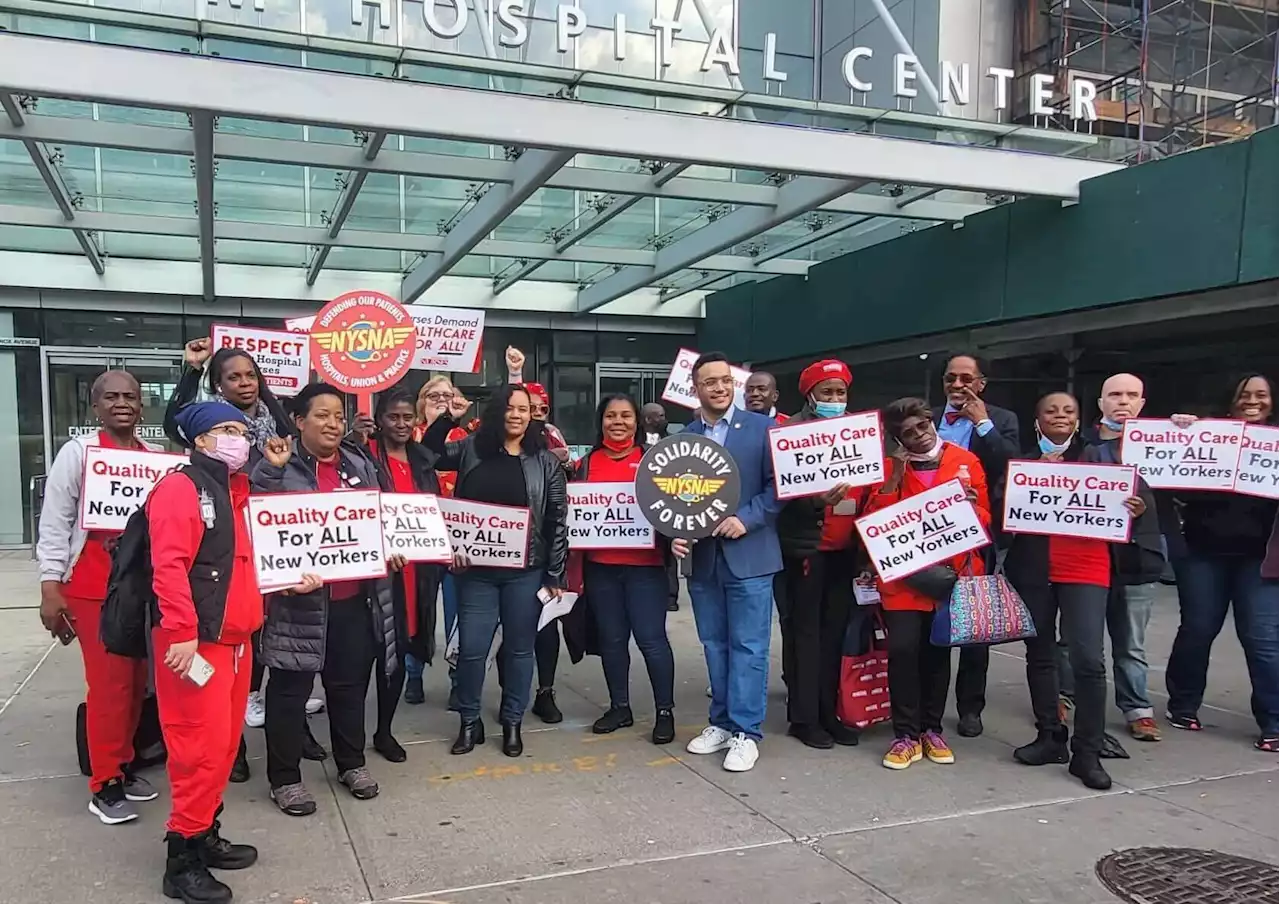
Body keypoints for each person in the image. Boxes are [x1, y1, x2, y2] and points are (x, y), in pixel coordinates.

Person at [147, 401, 309, 904]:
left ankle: (203, 833)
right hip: (196, 646)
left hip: (235, 644)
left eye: (242, 429)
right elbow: (169, 567)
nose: (239, 438)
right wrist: (180, 632)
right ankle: (182, 860)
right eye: (226, 429)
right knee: (197, 750)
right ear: (199, 440)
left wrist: (291, 580)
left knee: (219, 748)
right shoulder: (182, 488)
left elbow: (248, 563)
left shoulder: (234, 493)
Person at [165, 338, 324, 780]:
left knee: (285, 651)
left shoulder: (274, 428)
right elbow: (172, 425)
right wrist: (190, 371)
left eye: (250, 375)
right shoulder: (206, 440)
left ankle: (291, 730)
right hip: (228, 559)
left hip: (273, 551)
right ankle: (230, 747)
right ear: (218, 385)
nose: (245, 383)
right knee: (241, 661)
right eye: (233, 377)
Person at [252, 383, 399, 816]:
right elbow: (258, 518)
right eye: (322, 415)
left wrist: (390, 549)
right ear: (299, 421)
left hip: (354, 599)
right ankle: (286, 778)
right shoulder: (279, 464)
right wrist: (271, 470)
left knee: (350, 687)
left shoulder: (360, 462)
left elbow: (381, 519)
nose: (334, 423)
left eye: (339, 416)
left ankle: (351, 763)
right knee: (289, 692)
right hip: (297, 604)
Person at [1004, 392, 1155, 791]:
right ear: (1037, 420)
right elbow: (1003, 519)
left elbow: (1138, 511)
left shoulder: (1104, 458)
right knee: (1040, 654)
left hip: (1086, 567)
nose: (1059, 416)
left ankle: (1086, 752)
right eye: (1050, 410)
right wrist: (1023, 481)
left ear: (1078, 419)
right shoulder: (1022, 462)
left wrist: (1137, 512)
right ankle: (1050, 736)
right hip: (1035, 569)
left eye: (1068, 411)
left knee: (1088, 658)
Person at [37, 370, 160, 824]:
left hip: (142, 588)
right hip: (91, 587)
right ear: (96, 407)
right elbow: (54, 522)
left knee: (137, 685)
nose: (122, 403)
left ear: (142, 405)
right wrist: (51, 587)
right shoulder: (78, 454)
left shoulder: (155, 459)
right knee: (110, 686)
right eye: (111, 397)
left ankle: (123, 766)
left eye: (131, 396)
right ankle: (104, 783)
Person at [421, 383, 569, 758]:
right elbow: (428, 455)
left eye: (524, 409)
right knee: (472, 650)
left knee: (520, 650)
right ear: (497, 411)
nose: (517, 415)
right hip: (476, 573)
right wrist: (450, 417)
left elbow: (556, 521)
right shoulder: (472, 448)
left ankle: (513, 721)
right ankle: (470, 721)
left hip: (526, 572)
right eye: (510, 407)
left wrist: (554, 574)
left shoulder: (546, 461)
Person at [865, 397, 989, 771]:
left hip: (951, 578)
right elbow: (874, 521)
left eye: (923, 426)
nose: (919, 436)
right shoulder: (890, 468)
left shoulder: (966, 461)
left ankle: (932, 729)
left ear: (933, 422)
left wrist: (971, 508)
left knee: (937, 655)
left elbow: (986, 520)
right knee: (902, 652)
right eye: (908, 433)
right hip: (904, 578)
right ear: (897, 438)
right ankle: (904, 734)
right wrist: (895, 475)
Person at [676, 352, 784, 773]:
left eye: (724, 381)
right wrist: (676, 534)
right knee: (714, 645)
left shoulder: (763, 428)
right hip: (703, 561)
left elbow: (780, 487)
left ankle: (746, 732)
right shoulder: (684, 436)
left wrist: (749, 519)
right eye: (709, 382)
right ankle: (720, 723)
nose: (718, 388)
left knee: (749, 646)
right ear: (695, 388)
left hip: (750, 556)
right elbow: (674, 499)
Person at [1167, 374, 1280, 752]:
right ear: (1231, 401)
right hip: (1204, 552)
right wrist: (1182, 434)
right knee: (1198, 630)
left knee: (1262, 639)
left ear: (1272, 401)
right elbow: (1175, 482)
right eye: (1244, 394)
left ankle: (1274, 722)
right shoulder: (1208, 434)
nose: (1253, 400)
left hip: (1261, 558)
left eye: (1261, 395)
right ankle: (1182, 704)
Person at [576, 394, 677, 744]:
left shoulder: (654, 460)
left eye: (625, 416)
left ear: (638, 422)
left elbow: (673, 507)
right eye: (610, 416)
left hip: (645, 569)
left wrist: (676, 537)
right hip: (601, 569)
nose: (617, 422)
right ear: (600, 421)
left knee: (652, 641)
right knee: (612, 641)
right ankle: (620, 706)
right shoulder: (586, 464)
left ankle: (665, 711)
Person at [775, 360, 864, 749]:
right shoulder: (788, 434)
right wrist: (814, 502)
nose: (834, 399)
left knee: (835, 634)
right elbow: (776, 495)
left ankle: (831, 712)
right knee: (805, 635)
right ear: (809, 395)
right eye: (826, 392)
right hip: (806, 550)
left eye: (840, 392)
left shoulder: (859, 434)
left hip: (845, 552)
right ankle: (804, 717)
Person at [1073, 373, 1167, 743]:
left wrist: (1186, 429)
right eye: (1114, 395)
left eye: (1131, 395)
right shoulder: (1082, 444)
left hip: (1137, 558)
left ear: (1142, 403)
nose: (1123, 401)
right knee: (1079, 638)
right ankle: (1067, 697)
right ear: (1101, 403)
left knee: (1130, 642)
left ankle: (1138, 709)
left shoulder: (1166, 446)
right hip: (1090, 556)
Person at [933, 353, 1020, 738]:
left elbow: (1009, 463)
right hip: (930, 535)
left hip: (979, 536)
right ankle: (928, 707)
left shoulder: (1001, 420)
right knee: (930, 623)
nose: (957, 385)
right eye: (950, 378)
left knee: (974, 624)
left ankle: (971, 708)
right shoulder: (929, 417)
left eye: (965, 379)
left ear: (981, 383)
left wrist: (981, 422)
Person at [361, 388, 445, 760]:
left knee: (395, 657)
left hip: (415, 574)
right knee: (364, 656)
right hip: (374, 576)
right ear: (380, 419)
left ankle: (383, 731)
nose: (400, 424)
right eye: (393, 417)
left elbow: (438, 514)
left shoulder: (424, 461)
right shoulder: (362, 457)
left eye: (407, 417)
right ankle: (349, 735)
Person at [502, 346, 569, 723]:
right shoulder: (496, 438)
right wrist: (514, 375)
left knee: (541, 629)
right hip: (494, 553)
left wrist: (555, 567)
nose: (530, 415)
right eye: (528, 408)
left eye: (538, 409)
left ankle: (543, 692)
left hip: (537, 554)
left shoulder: (551, 439)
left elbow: (560, 503)